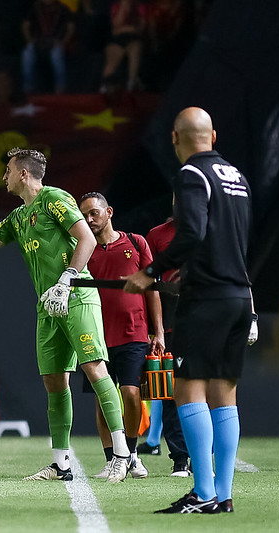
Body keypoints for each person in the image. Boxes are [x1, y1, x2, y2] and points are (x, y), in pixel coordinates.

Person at [0, 147, 132, 483]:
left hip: (75, 295)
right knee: (54, 383)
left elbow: (86, 238)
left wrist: (67, 278)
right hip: (47, 305)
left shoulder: (53, 198)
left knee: (94, 368)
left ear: (23, 174)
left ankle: (122, 456)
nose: (4, 176)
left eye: (8, 170)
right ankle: (61, 464)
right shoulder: (18, 217)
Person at [124, 107, 257, 514]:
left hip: (209, 299)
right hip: (239, 296)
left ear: (175, 139)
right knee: (225, 393)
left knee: (187, 389)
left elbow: (193, 233)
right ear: (213, 135)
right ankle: (224, 494)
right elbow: (230, 240)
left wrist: (150, 273)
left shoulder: (190, 176)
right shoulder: (238, 178)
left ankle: (202, 493)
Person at [78, 191, 165, 480]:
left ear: (109, 212)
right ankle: (111, 459)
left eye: (94, 213)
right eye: (85, 214)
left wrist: (158, 331)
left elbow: (151, 289)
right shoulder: (83, 249)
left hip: (133, 333)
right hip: (95, 335)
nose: (89, 219)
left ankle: (130, 454)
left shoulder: (136, 243)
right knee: (104, 400)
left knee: (130, 393)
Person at [139, 216, 191, 478]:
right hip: (171, 325)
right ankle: (180, 459)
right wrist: (155, 328)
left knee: (208, 393)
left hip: (206, 322)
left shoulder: (212, 228)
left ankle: (203, 455)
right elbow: (150, 281)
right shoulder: (157, 234)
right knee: (170, 394)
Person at [21, 0, 75, 94]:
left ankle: (60, 89)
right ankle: (28, 88)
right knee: (26, 54)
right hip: (37, 41)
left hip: (55, 42)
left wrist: (63, 42)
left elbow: (71, 28)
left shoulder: (63, 9)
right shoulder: (34, 8)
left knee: (56, 56)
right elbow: (25, 25)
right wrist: (29, 40)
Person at [100, 0, 147, 93]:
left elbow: (141, 29)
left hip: (134, 39)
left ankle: (131, 84)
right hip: (118, 39)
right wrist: (123, 8)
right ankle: (104, 87)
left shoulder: (140, 7)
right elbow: (115, 29)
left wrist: (128, 29)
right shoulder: (116, 7)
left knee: (135, 49)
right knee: (113, 58)